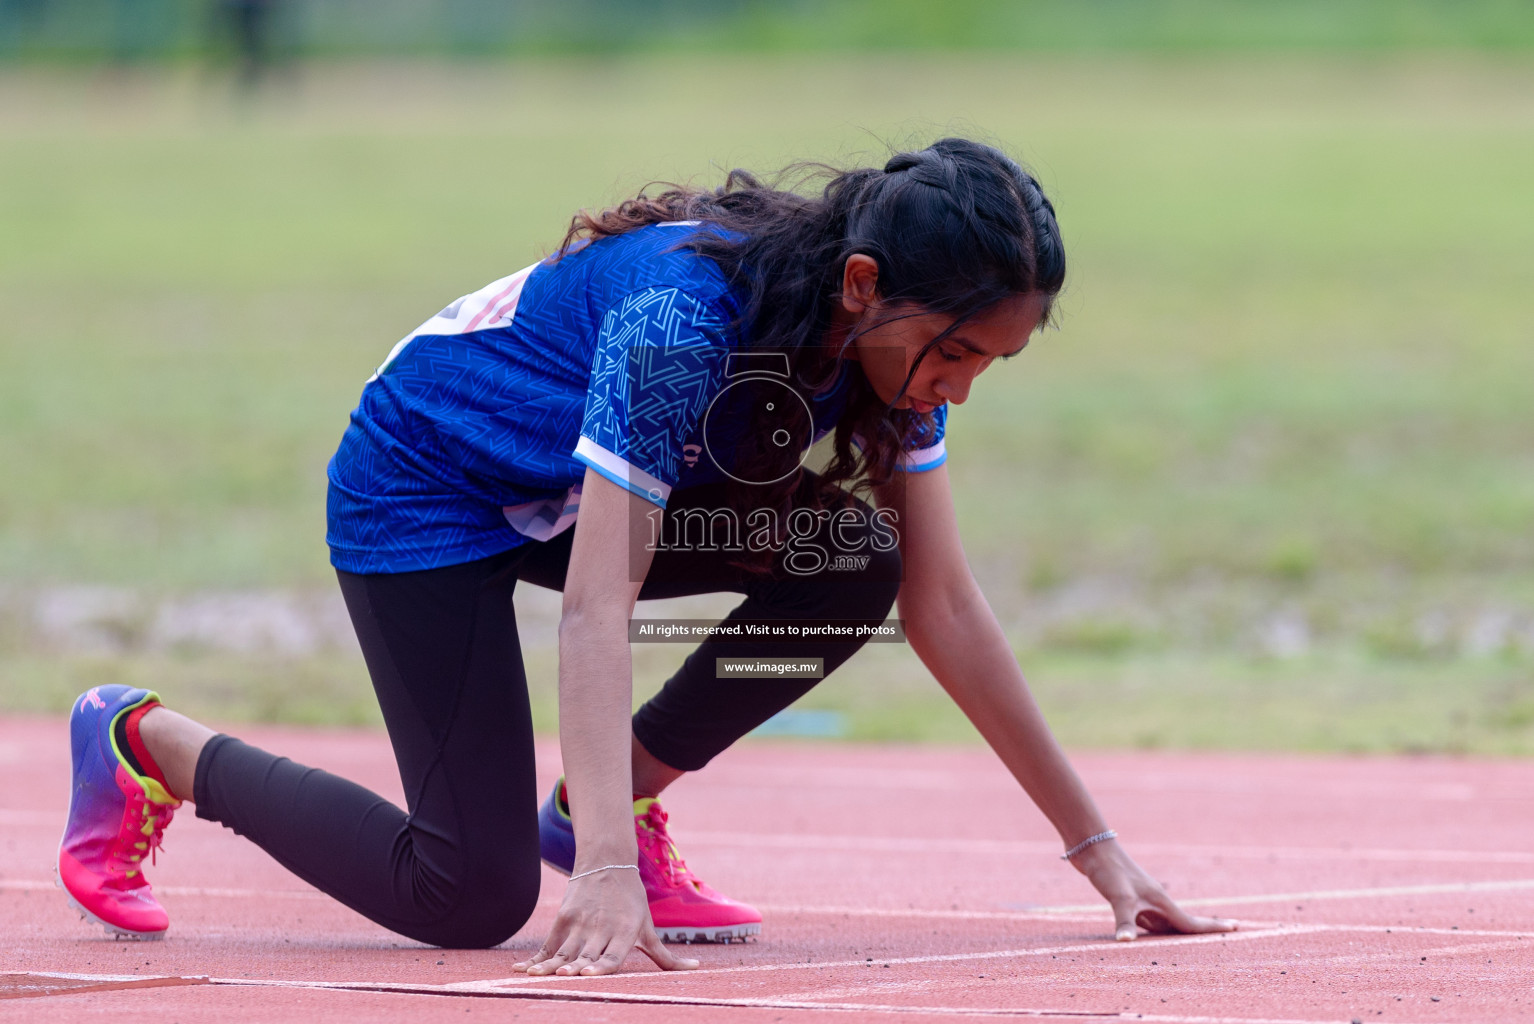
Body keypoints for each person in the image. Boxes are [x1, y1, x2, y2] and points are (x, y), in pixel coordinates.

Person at [57, 138, 1236, 975]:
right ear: (865, 284)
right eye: (956, 352)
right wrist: (604, 878)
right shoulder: (681, 322)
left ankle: (601, 798)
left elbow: (945, 606)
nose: (959, 387)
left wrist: (1102, 854)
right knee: (468, 895)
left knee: (855, 559)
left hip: (562, 491)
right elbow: (597, 602)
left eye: (992, 364)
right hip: (424, 487)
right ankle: (146, 742)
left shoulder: (888, 352)